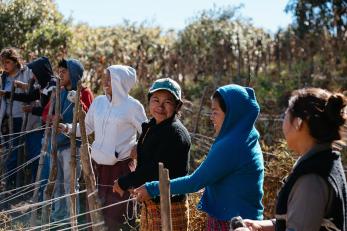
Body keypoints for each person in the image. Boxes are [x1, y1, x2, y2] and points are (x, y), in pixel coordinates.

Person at [135, 84, 264, 230]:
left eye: (215, 112)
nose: (211, 118)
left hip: (233, 223)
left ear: (231, 115)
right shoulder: (246, 137)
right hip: (246, 220)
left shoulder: (231, 145)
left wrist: (152, 188)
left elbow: (194, 182)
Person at [235, 88, 347, 231]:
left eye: (287, 113)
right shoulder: (324, 160)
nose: (284, 119)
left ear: (299, 122)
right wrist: (263, 226)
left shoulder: (311, 180)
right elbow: (302, 218)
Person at [60, 65, 147, 229]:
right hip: (97, 169)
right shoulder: (99, 102)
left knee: (116, 216)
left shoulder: (133, 106)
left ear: (120, 81)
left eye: (110, 77)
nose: (105, 81)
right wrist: (67, 128)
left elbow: (148, 133)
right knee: (95, 212)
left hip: (120, 170)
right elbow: (86, 127)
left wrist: (137, 147)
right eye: (105, 76)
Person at [113, 77, 191, 231]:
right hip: (151, 203)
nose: (160, 107)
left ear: (177, 106)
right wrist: (139, 149)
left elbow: (154, 169)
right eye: (156, 100)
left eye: (167, 102)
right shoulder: (152, 126)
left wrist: (125, 182)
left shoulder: (175, 133)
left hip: (169, 206)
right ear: (149, 102)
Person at [0, 56, 56, 184]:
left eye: (35, 73)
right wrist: (8, 94)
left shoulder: (52, 86)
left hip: (48, 129)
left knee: (39, 156)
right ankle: (35, 185)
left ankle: (40, 186)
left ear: (41, 72)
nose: (33, 76)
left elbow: (51, 111)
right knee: (33, 155)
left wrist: (32, 110)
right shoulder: (43, 85)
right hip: (43, 126)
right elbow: (30, 96)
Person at [50, 58, 94, 222]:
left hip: (73, 145)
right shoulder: (60, 92)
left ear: (74, 73)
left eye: (64, 72)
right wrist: (55, 118)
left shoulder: (84, 92)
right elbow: (52, 114)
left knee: (70, 183)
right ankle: (58, 215)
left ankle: (72, 218)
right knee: (58, 183)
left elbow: (89, 119)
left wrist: (79, 102)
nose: (60, 75)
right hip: (58, 144)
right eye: (59, 72)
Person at [0, 47, 39, 187]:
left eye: (8, 62)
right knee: (10, 150)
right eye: (3, 62)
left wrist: (22, 86)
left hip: (23, 118)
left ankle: (17, 182)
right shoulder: (3, 77)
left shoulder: (26, 72)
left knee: (19, 150)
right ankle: (10, 181)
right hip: (7, 118)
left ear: (15, 61)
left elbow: (34, 91)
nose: (5, 65)